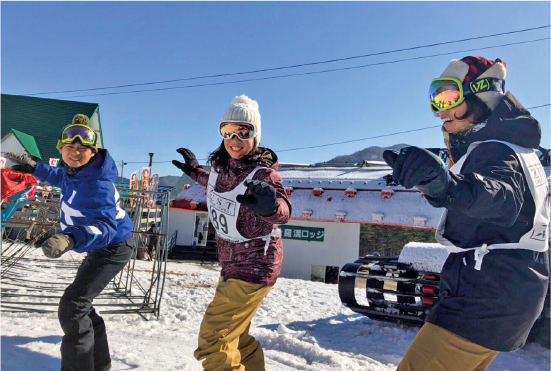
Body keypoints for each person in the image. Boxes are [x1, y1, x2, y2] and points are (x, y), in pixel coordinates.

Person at [383, 56, 549, 370]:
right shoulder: (514, 147)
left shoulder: (495, 150)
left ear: (482, 95)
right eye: (436, 99)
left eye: (450, 97)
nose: (440, 111)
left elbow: (501, 196)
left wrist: (447, 186)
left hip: (483, 296)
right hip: (508, 292)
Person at [5, 113, 135, 371]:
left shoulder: (99, 184)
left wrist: (71, 238)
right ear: (61, 149)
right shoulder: (75, 173)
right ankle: (101, 363)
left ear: (92, 152)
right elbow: (58, 176)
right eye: (70, 147)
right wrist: (33, 167)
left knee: (73, 306)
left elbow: (105, 228)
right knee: (81, 304)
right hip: (100, 246)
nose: (75, 153)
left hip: (112, 247)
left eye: (82, 149)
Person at [172, 94, 292, 371]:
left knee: (215, 340)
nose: (234, 139)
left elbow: (285, 210)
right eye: (227, 131)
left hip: (256, 264)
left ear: (255, 136)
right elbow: (213, 182)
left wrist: (270, 208)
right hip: (230, 264)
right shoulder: (221, 168)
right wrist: (194, 172)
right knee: (236, 337)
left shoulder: (264, 174)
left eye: (243, 131)